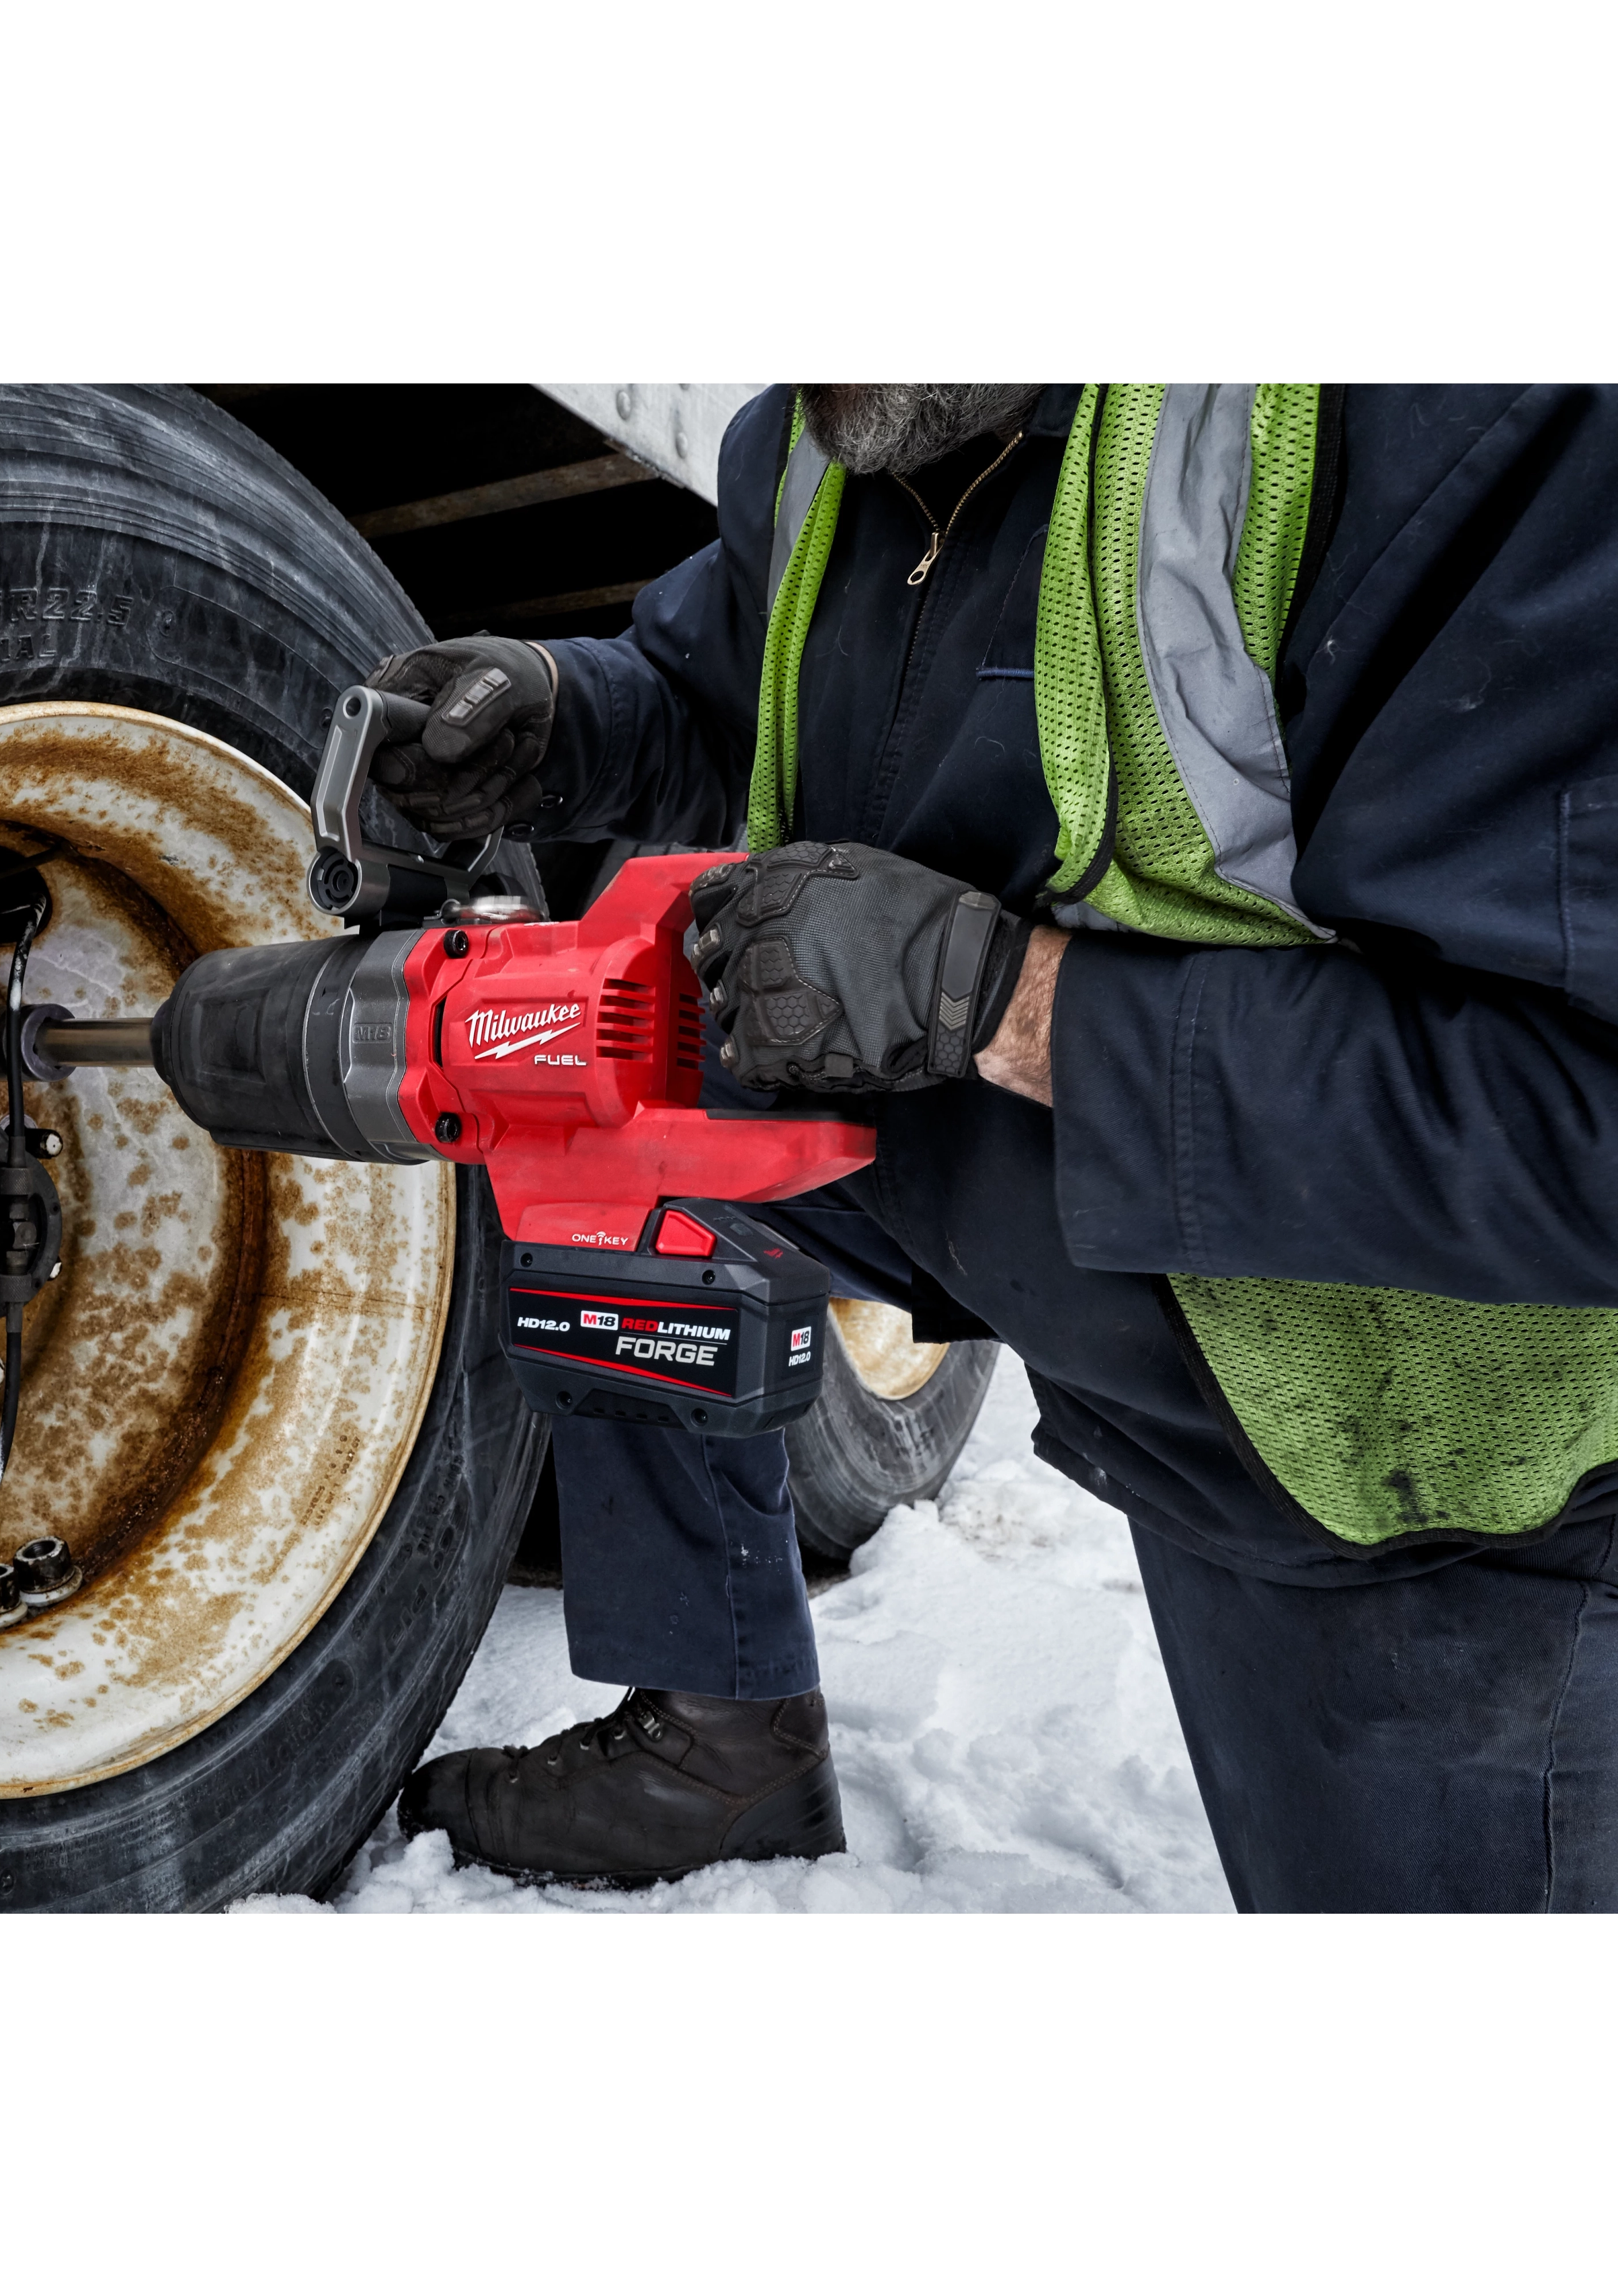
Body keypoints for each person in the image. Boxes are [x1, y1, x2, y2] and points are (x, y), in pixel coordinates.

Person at [367, 382, 1618, 1913]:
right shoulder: (818, 443)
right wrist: (561, 723)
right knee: (585, 1099)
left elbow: (1584, 1130)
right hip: (1116, 1290)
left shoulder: (1459, 434)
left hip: (1430, 1456)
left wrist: (1010, 1004)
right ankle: (721, 1727)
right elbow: (721, 689)